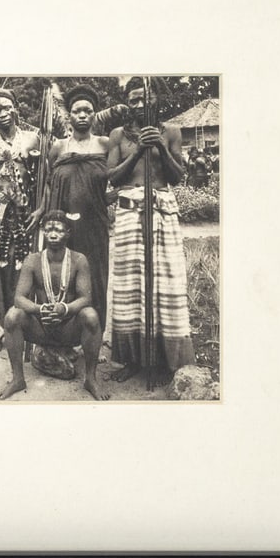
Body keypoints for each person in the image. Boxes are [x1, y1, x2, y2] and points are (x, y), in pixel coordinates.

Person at [106, 79, 196, 384]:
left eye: (145, 98)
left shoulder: (171, 131)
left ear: (156, 99)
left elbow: (178, 175)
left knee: (165, 283)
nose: (139, 105)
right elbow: (113, 177)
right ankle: (132, 360)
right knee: (131, 286)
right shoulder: (117, 135)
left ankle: (164, 359)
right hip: (130, 212)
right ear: (127, 103)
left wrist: (158, 144)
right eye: (133, 101)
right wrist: (137, 151)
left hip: (162, 211)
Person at [0, 211, 106, 401]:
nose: (53, 234)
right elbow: (19, 298)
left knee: (91, 315)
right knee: (12, 316)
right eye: (48, 230)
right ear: (43, 233)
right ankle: (18, 379)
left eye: (58, 230)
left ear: (68, 233)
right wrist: (40, 310)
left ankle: (90, 379)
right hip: (42, 326)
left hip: (69, 328)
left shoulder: (79, 260)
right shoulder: (33, 260)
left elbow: (85, 298)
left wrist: (65, 309)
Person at [29, 84, 113, 327]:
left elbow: (118, 177)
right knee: (60, 273)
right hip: (61, 222)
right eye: (77, 111)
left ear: (95, 114)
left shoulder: (104, 145)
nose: (83, 115)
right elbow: (48, 182)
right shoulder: (59, 147)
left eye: (88, 110)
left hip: (94, 222)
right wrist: (41, 209)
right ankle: (59, 335)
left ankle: (93, 333)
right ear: (70, 115)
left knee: (95, 275)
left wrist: (110, 198)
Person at [0, 89, 43, 325]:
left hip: (25, 213)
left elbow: (44, 178)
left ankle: (24, 323)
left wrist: (40, 209)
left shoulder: (34, 139)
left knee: (23, 264)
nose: (1, 113)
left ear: (15, 108)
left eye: (5, 107)